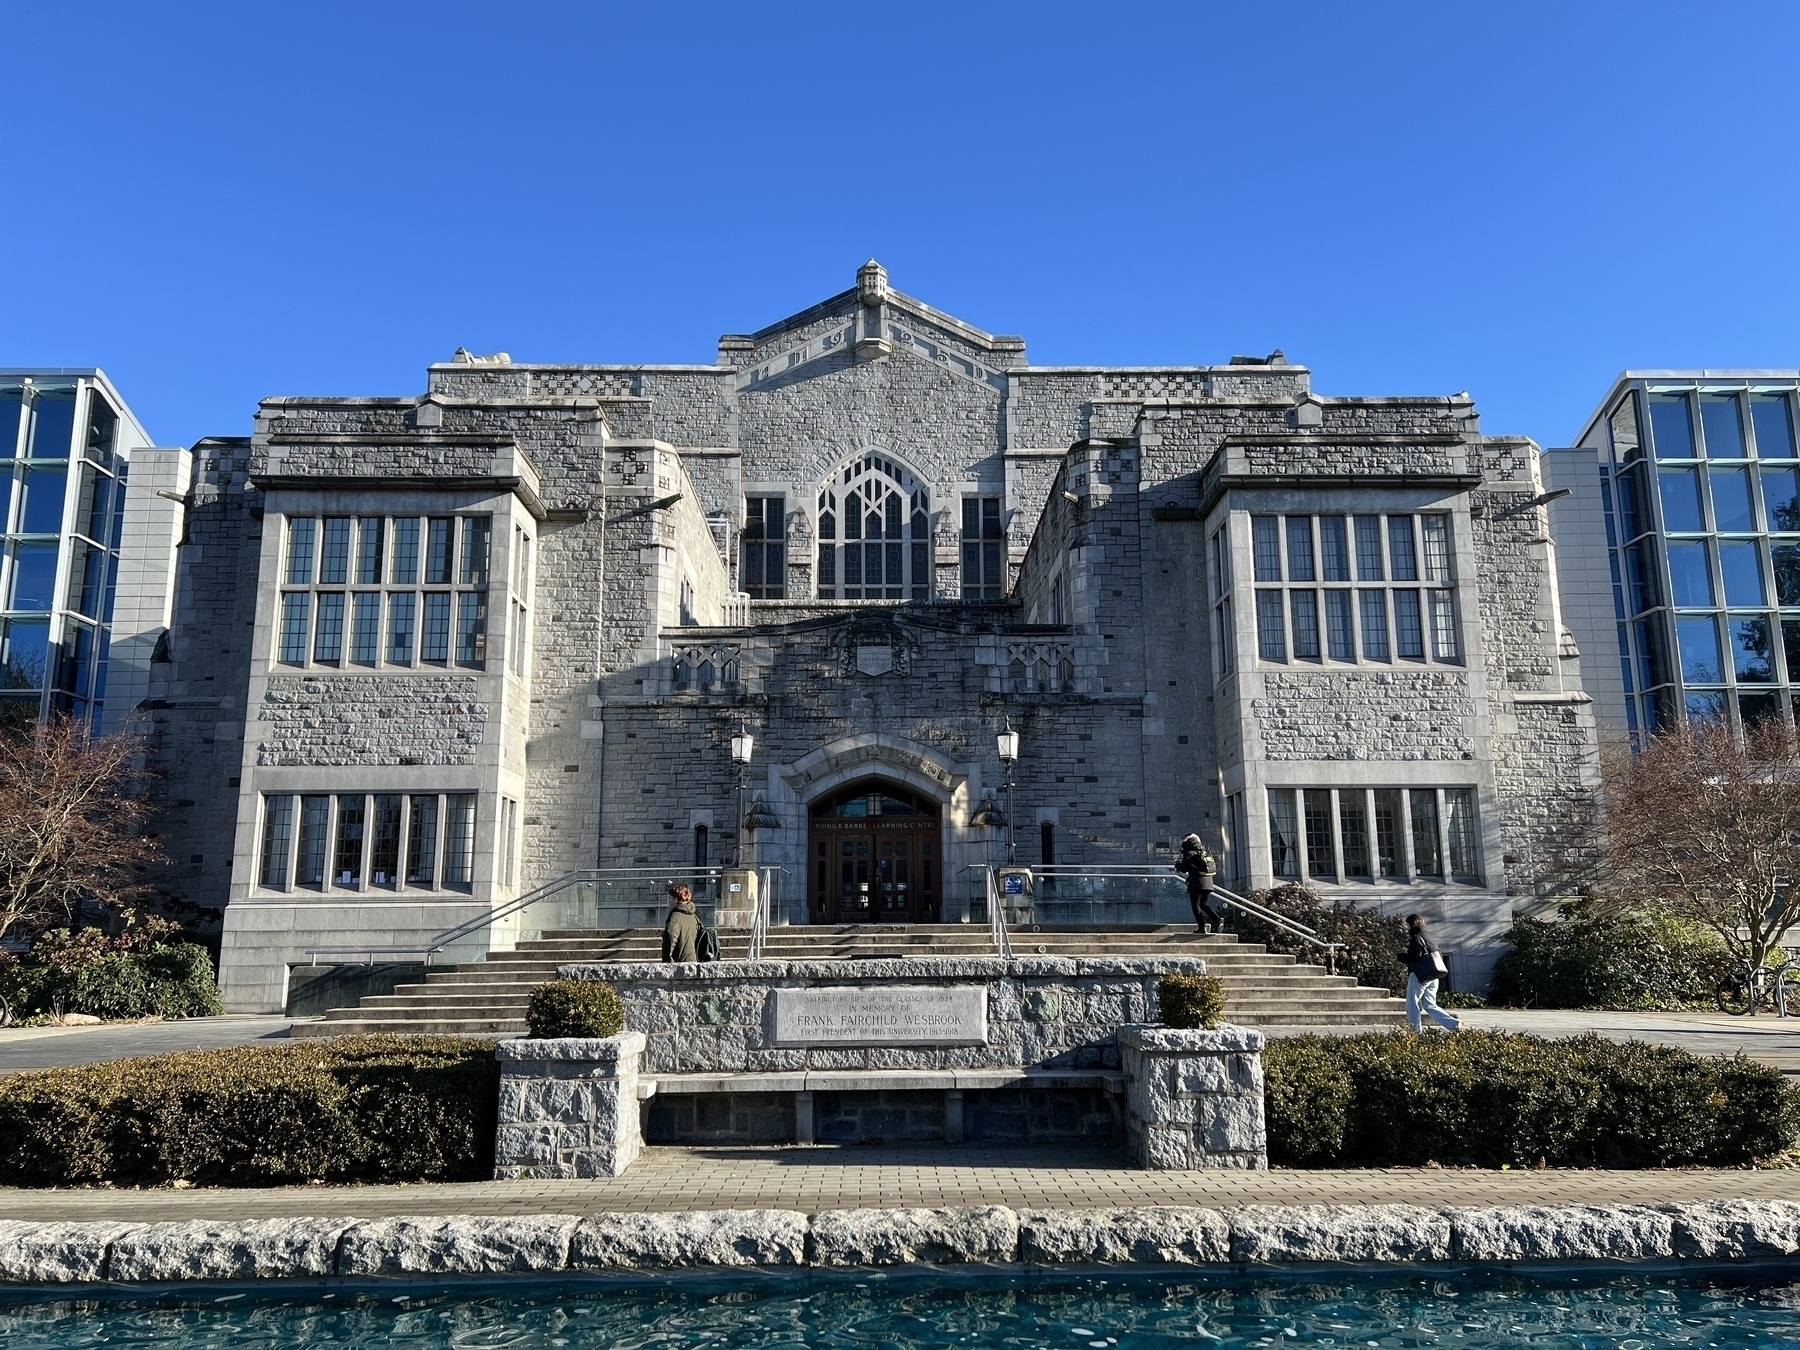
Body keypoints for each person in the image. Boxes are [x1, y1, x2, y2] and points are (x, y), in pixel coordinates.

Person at [1403, 913, 1460, 1033]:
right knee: (1430, 1004)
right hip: (1434, 975)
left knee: (1412, 1004)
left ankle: (1415, 1031)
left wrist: (1401, 957)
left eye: (1407, 924)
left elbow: (1414, 956)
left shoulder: (1416, 937)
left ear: (1411, 924)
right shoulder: (1429, 936)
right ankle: (1453, 1024)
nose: (1406, 927)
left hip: (1420, 975)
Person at [1173, 833, 1223, 933]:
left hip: (1196, 883)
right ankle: (1217, 919)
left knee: (1195, 905)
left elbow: (1184, 868)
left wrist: (1177, 864)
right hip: (1209, 883)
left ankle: (1202, 927)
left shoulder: (1189, 853)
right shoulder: (1204, 851)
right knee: (1203, 904)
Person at [662, 883, 700, 963]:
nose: (668, 902)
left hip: (679, 962)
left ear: (675, 900)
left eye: (670, 899)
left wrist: (667, 962)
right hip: (693, 959)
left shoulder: (675, 917)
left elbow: (671, 938)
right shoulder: (693, 916)